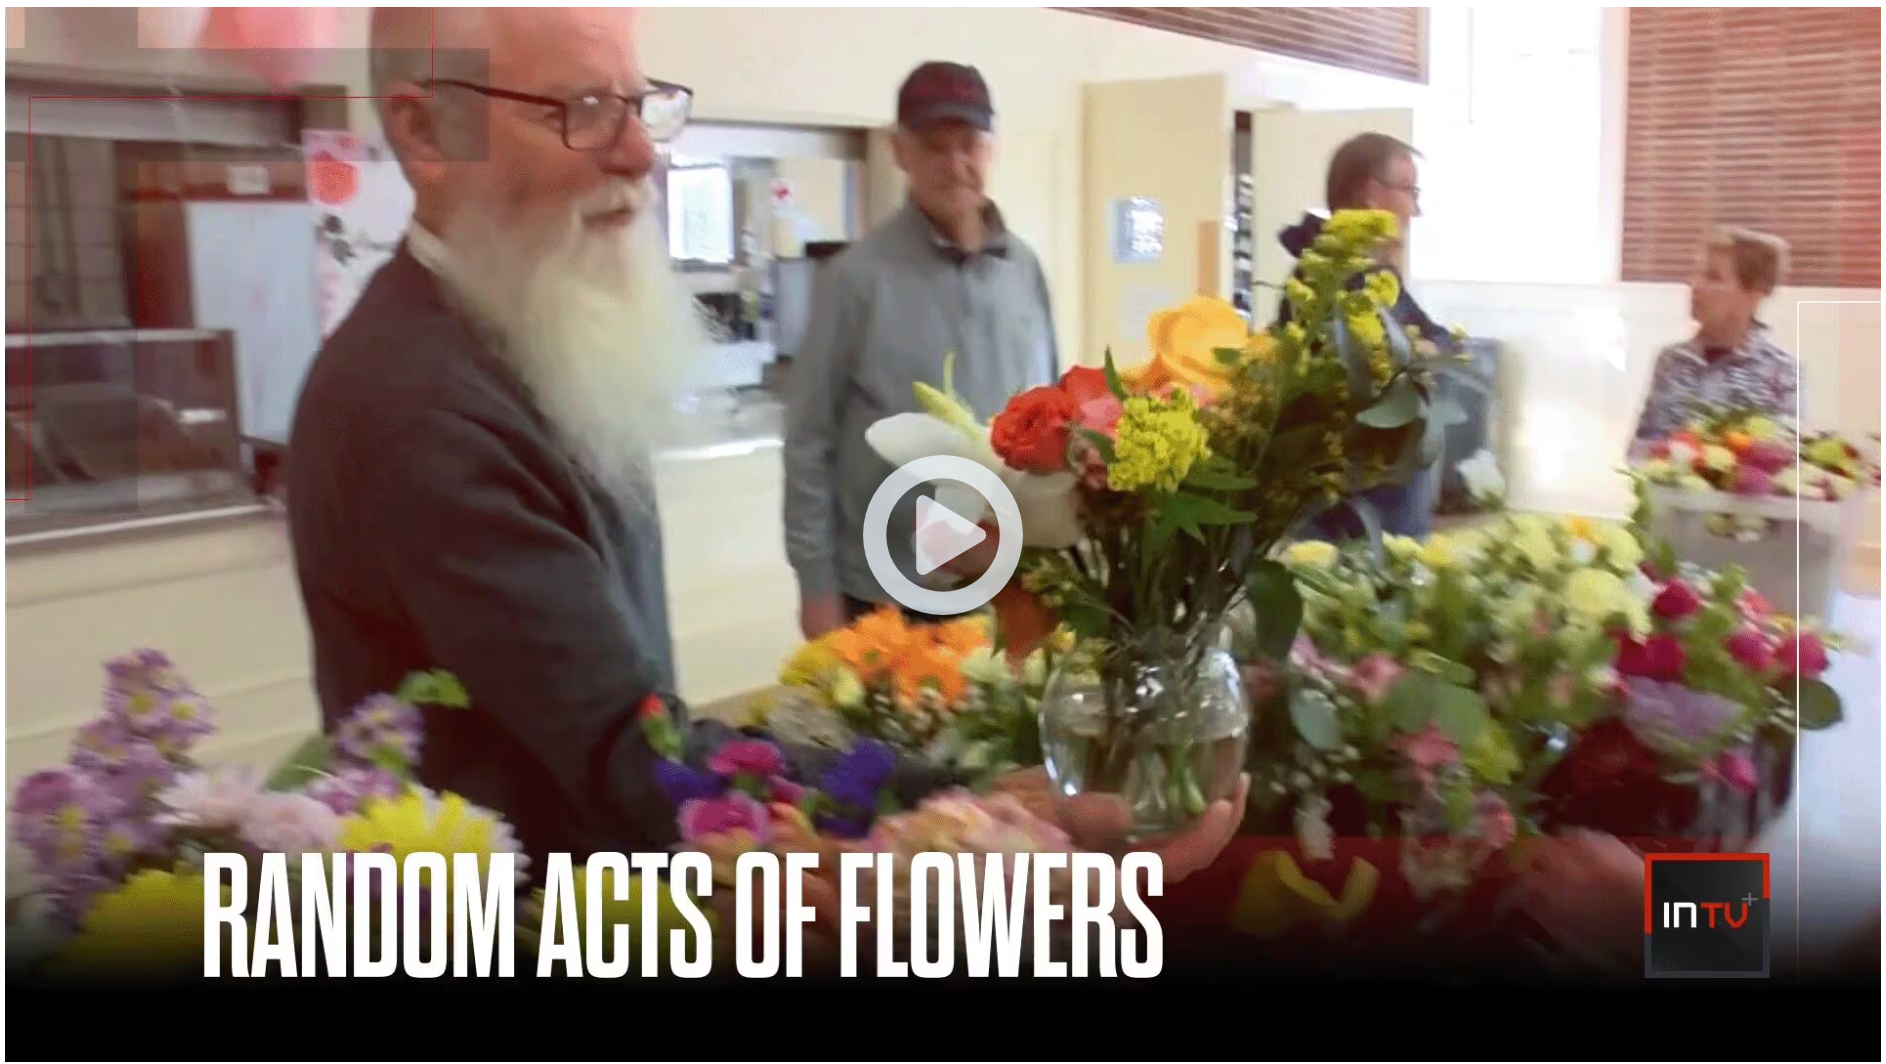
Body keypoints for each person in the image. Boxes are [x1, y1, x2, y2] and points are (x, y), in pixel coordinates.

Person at [288, 9, 1240, 923]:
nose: (641, 153)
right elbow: (628, 753)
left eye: (638, 106)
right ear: (428, 130)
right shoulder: (417, 410)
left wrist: (952, 797)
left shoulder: (512, 340)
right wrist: (952, 822)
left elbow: (638, 729)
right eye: (580, 110)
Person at [783, 60, 1059, 639]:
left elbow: (1049, 419)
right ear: (899, 151)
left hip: (1006, 582)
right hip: (886, 593)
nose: (955, 164)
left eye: (969, 144)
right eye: (935, 145)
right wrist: (816, 588)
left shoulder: (1024, 270)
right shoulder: (855, 279)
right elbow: (809, 442)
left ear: (992, 148)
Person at [1276, 131, 1452, 540]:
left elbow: (1440, 340)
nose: (1415, 210)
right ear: (1373, 194)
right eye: (1409, 191)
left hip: (1387, 495)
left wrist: (1421, 348)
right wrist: (1413, 352)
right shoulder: (1322, 277)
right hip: (1351, 506)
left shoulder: (1378, 274)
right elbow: (1350, 381)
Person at [1630, 226, 1799, 449]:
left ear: (1754, 294)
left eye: (1713, 277)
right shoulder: (1671, 361)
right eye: (1696, 274)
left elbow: (1786, 457)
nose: (1695, 285)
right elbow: (1640, 449)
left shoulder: (1781, 372)